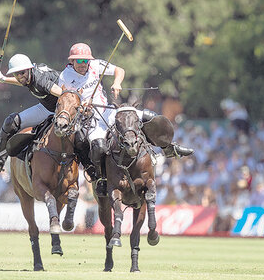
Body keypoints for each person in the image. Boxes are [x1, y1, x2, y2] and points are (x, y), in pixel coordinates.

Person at [58, 43, 194, 196]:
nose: (83, 64)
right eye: (79, 61)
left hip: (106, 110)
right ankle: (100, 178)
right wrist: (81, 105)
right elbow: (65, 99)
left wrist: (117, 82)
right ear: (72, 61)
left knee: (146, 117)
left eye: (86, 61)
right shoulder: (65, 77)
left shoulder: (95, 65)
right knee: (99, 146)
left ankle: (168, 147)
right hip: (89, 120)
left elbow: (119, 70)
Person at [0, 54, 63, 176]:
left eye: (22, 73)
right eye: (16, 74)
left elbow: (62, 93)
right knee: (12, 122)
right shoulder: (29, 75)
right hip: (46, 108)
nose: (20, 77)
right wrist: (4, 79)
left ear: (29, 69)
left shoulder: (41, 80)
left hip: (63, 110)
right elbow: (24, 81)